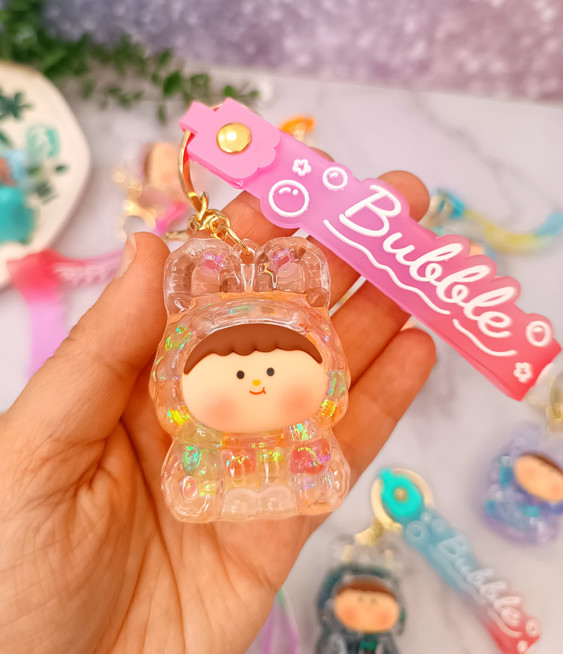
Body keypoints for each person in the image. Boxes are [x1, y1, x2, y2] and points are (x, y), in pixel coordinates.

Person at [0, 172, 435, 653]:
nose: (256, 384)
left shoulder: (311, 438)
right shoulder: (197, 442)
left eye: (274, 371)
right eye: (236, 373)